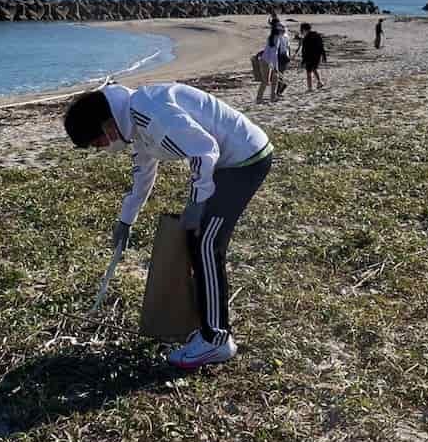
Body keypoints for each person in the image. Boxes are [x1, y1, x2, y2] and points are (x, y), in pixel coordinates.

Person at [64, 82, 274, 370]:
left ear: (107, 124)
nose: (100, 148)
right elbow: (143, 174)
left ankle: (216, 340)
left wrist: (197, 201)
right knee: (198, 240)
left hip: (244, 158)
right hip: (226, 163)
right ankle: (203, 325)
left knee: (206, 243)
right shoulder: (135, 125)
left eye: (97, 142)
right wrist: (125, 220)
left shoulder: (148, 112)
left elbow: (205, 150)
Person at [256, 21, 289, 102]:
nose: (284, 31)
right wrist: (276, 67)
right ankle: (259, 98)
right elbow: (274, 53)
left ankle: (272, 97)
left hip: (267, 61)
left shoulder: (272, 37)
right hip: (266, 62)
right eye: (282, 30)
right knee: (266, 81)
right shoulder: (276, 38)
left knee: (274, 79)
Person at [299, 23, 327, 91]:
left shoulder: (306, 39)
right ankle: (319, 82)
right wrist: (324, 56)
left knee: (309, 73)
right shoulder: (317, 35)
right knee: (314, 69)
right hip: (317, 57)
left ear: (304, 30)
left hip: (309, 58)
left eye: (301, 30)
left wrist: (303, 61)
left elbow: (304, 51)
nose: (301, 32)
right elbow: (321, 46)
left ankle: (310, 88)